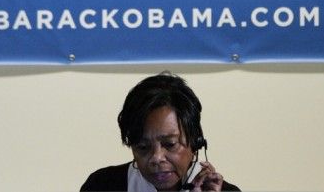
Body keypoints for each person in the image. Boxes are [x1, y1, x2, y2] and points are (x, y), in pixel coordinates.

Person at [80, 72, 240, 191]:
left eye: (170, 144)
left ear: (196, 142)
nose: (156, 158)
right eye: (143, 147)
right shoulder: (102, 185)